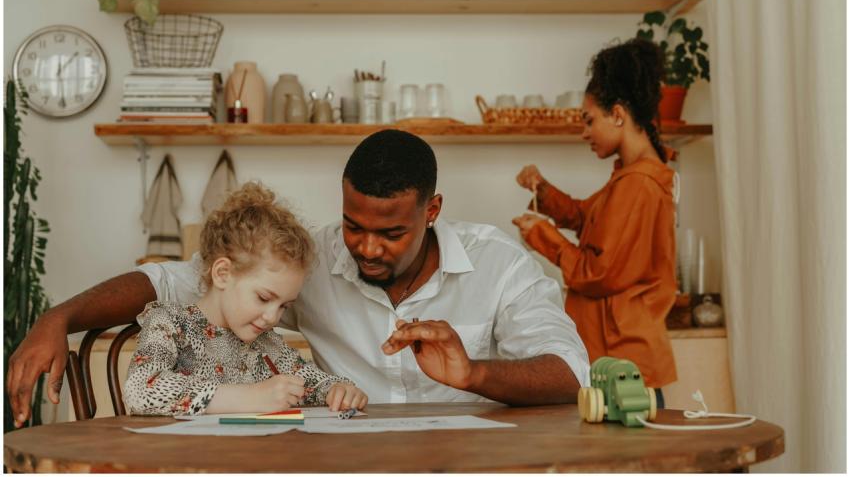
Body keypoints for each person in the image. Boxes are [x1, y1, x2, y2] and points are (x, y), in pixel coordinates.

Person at [8, 129, 589, 427]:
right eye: (353, 224)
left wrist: (473, 373)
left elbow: (570, 374)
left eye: (390, 234)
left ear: (431, 211)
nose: (365, 246)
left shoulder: (500, 263)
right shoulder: (307, 261)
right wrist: (56, 319)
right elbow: (171, 284)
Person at [512, 38, 677, 408]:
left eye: (589, 120)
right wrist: (543, 190)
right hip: (617, 360)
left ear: (618, 114)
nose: (584, 132)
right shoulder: (630, 179)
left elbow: (599, 272)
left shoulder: (638, 184)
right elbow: (590, 219)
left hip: (623, 362)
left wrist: (542, 236)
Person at [124, 182, 367, 416]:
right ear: (222, 274)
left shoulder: (266, 343)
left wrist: (338, 390)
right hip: (183, 458)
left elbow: (310, 381)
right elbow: (140, 389)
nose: (273, 317)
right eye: (263, 298)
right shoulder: (169, 324)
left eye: (284, 306)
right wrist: (249, 397)